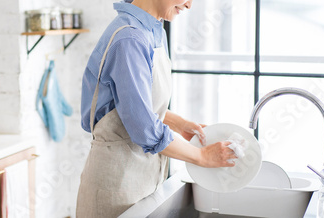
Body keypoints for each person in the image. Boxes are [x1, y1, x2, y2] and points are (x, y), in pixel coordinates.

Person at [77, 0, 238, 217]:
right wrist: (202, 156)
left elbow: (133, 106)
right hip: (116, 185)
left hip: (141, 180)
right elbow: (144, 129)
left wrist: (178, 123)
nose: (190, 5)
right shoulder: (130, 39)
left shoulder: (153, 30)